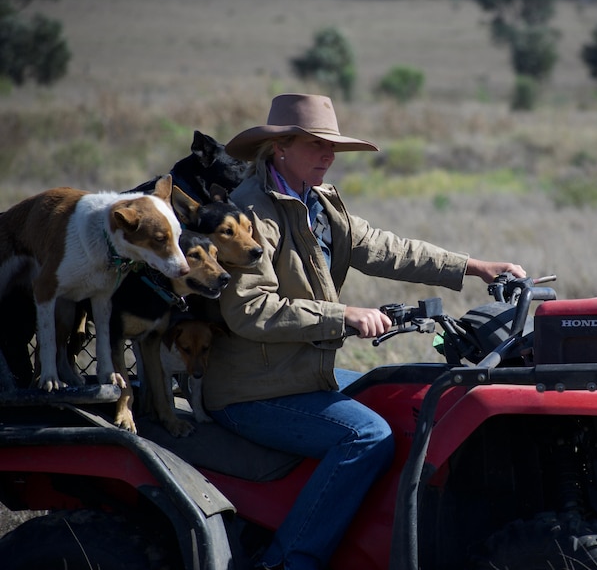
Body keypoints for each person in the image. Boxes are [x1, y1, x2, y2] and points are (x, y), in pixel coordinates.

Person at [203, 93, 526, 570]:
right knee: (367, 435)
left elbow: (384, 248)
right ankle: (288, 562)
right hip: (250, 392)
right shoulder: (251, 214)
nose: (328, 156)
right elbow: (249, 310)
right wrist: (344, 316)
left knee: (403, 394)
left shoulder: (317, 203)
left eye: (332, 146)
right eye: (317, 145)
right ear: (280, 149)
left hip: (303, 377)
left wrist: (474, 267)